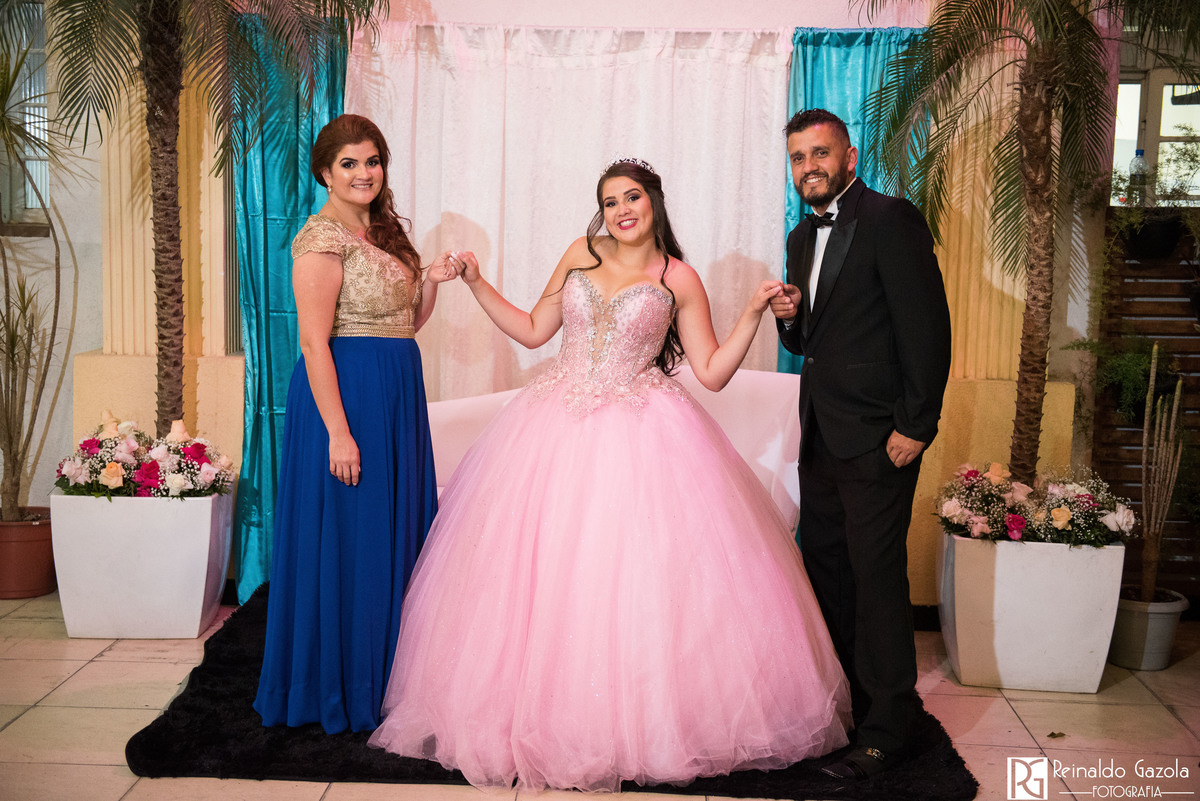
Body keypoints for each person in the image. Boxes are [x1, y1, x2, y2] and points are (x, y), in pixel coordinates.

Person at [366, 157, 852, 792]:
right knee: (539, 573)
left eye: (632, 197)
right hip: (552, 425)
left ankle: (636, 726)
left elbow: (710, 372)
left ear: (654, 201)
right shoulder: (581, 253)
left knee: (632, 580)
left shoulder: (678, 277)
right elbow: (534, 331)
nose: (622, 210)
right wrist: (478, 284)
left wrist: (753, 313)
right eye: (610, 201)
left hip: (643, 432)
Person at [253, 114, 461, 734]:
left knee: (392, 531)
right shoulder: (320, 239)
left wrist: (430, 283)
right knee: (353, 537)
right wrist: (339, 434)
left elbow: (402, 325)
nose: (363, 173)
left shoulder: (383, 230)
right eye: (349, 164)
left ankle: (392, 676)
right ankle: (339, 683)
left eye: (372, 161)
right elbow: (314, 344)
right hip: (346, 401)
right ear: (325, 172)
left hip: (395, 394)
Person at [770, 108, 952, 779]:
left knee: (875, 582)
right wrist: (790, 321)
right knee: (829, 574)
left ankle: (887, 729)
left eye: (820, 153)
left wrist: (917, 425)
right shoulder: (800, 236)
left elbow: (927, 328)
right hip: (821, 435)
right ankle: (846, 710)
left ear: (849, 156)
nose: (809, 167)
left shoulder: (890, 219)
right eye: (798, 158)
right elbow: (810, 343)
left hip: (880, 437)